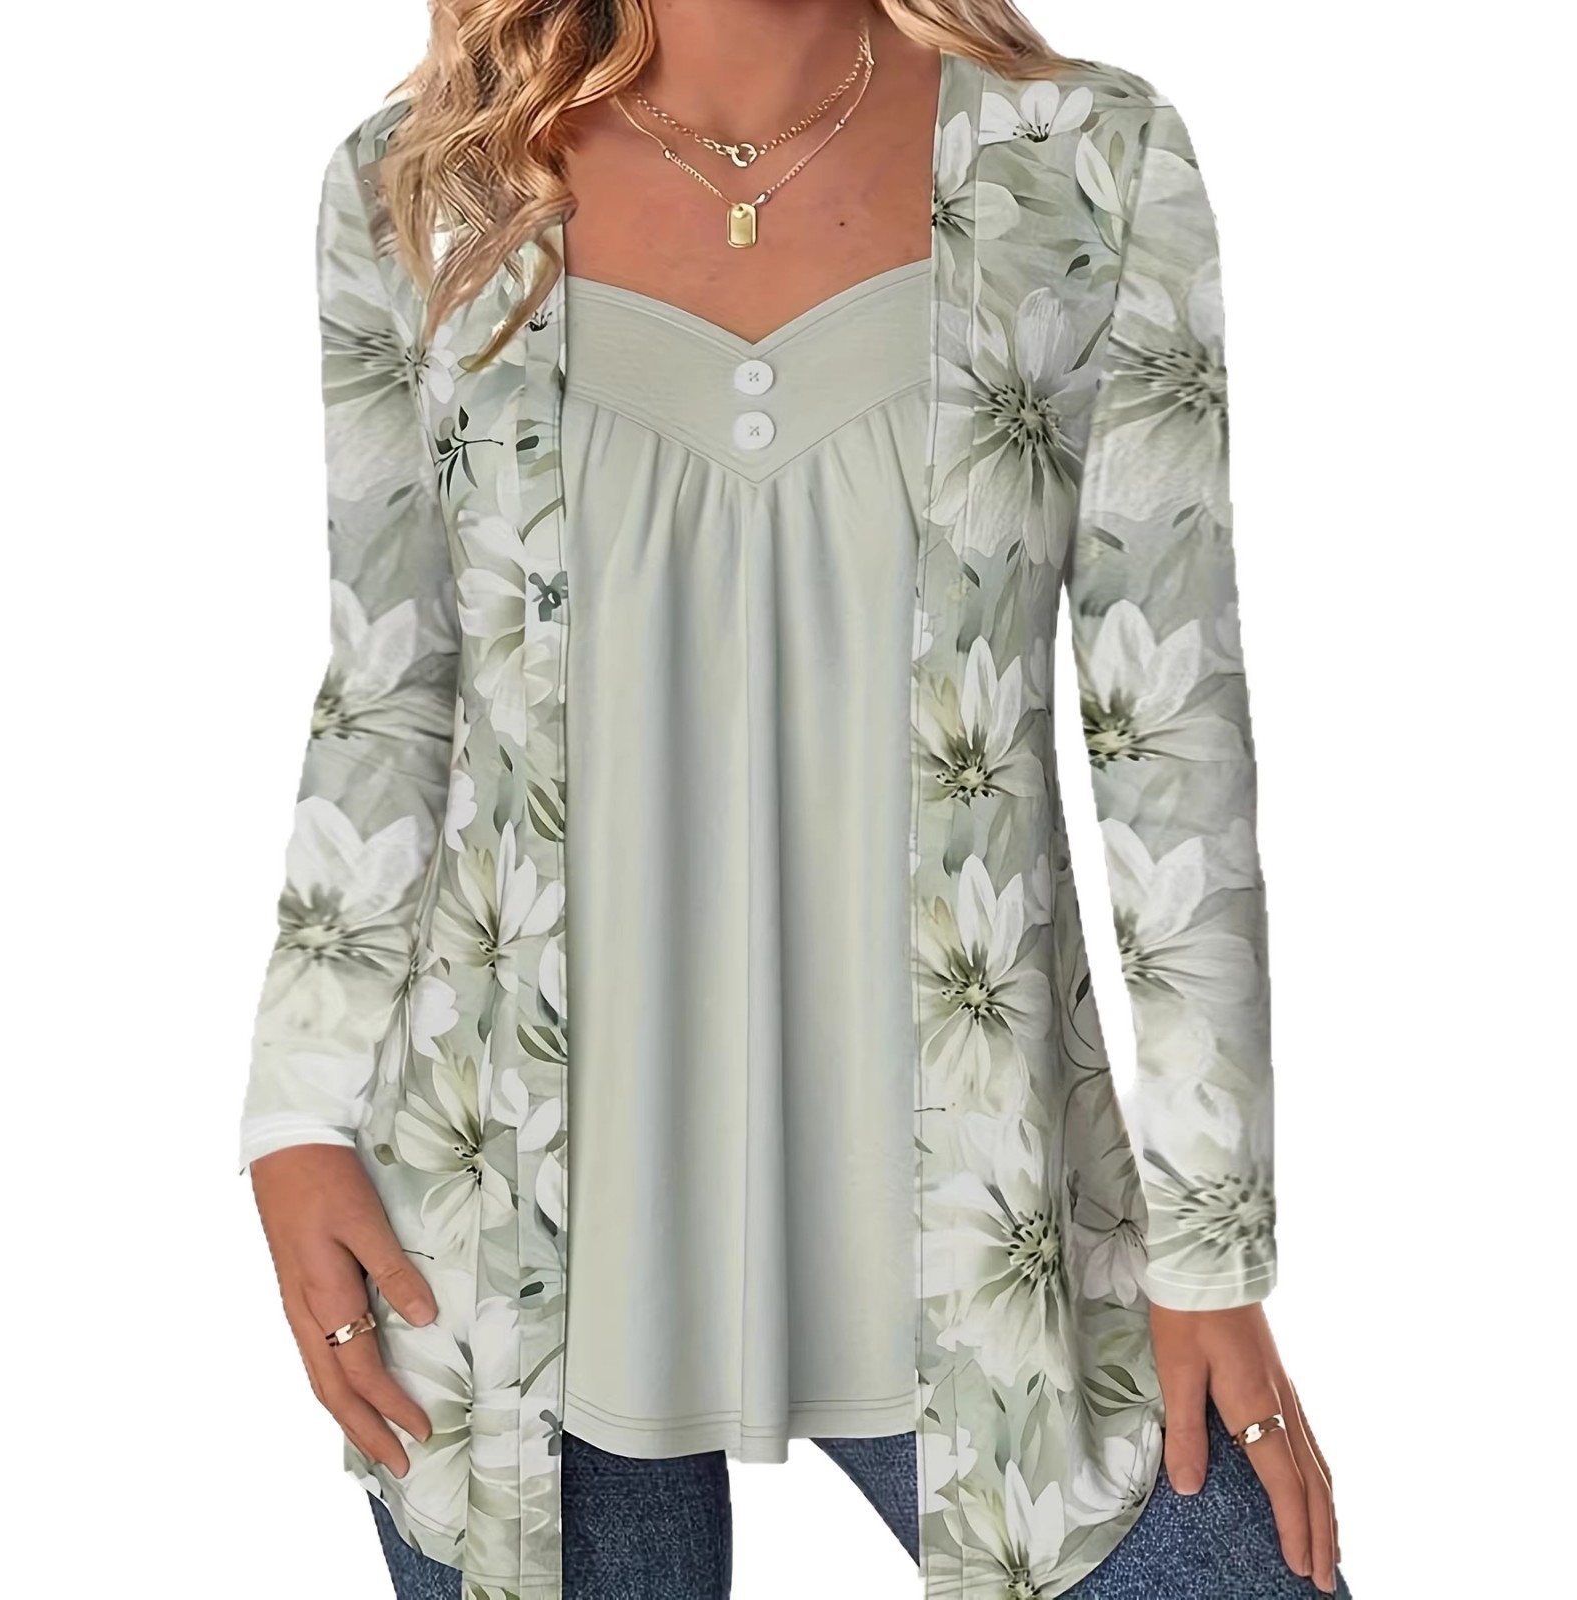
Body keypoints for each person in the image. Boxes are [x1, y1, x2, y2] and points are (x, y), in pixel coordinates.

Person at [239, 2, 1349, 1596]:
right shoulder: (419, 188)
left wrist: (1210, 1246)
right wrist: (295, 1118)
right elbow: (389, 683)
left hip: (996, 1227)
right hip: (500, 1235)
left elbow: (1171, 731)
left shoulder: (1089, 164)